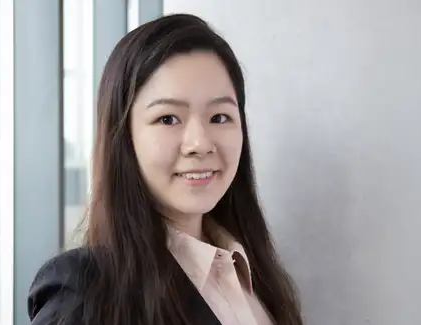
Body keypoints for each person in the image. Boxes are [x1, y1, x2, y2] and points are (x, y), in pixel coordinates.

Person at [27, 13, 303, 325]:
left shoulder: (255, 275)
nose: (200, 143)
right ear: (124, 137)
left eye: (219, 117)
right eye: (168, 119)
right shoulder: (86, 292)